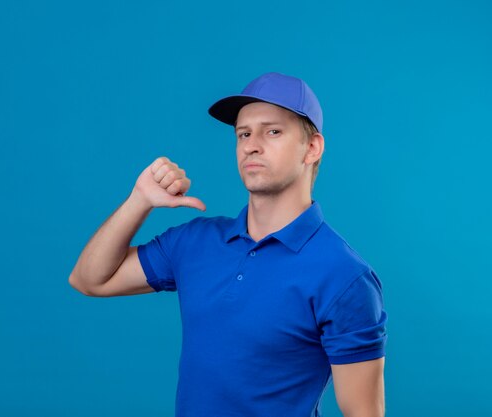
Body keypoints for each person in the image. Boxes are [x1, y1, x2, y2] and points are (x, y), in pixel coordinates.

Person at [69, 72, 388, 417]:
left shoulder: (344, 276)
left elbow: (364, 413)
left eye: (273, 132)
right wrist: (139, 200)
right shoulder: (195, 242)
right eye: (244, 134)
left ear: (312, 148)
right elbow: (90, 279)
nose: (252, 144)